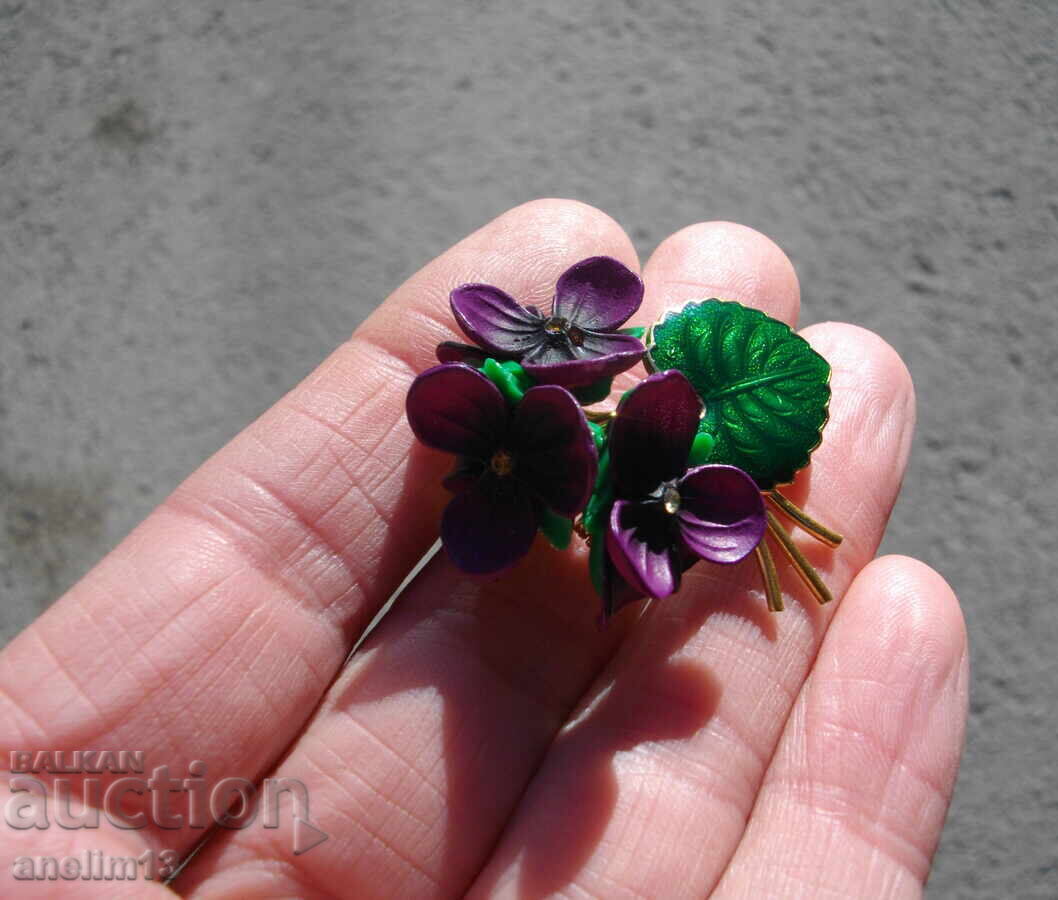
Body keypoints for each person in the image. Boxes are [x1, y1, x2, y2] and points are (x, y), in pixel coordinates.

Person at [0, 200, 967, 898]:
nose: (553, 333)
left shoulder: (639, 424)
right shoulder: (592, 442)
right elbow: (603, 443)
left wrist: (651, 468)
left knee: (701, 491)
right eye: (540, 344)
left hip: (647, 479)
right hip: (618, 478)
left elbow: (665, 432)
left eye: (564, 339)